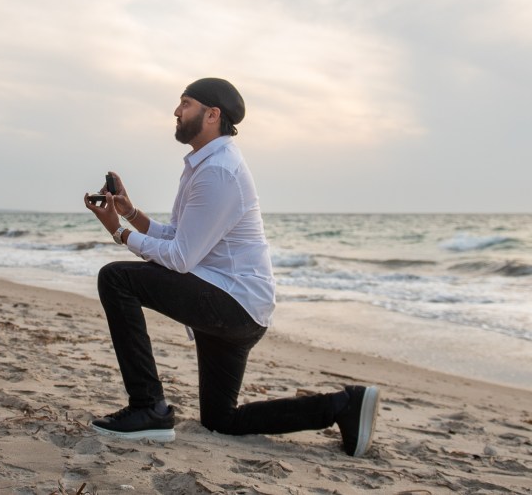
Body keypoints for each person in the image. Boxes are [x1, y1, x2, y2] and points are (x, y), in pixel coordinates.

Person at [83, 78, 380, 457]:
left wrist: (119, 233)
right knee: (221, 419)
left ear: (212, 114)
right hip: (235, 305)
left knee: (116, 278)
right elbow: (178, 237)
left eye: (185, 104)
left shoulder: (218, 171)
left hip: (232, 304)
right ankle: (343, 405)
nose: (176, 112)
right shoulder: (203, 166)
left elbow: (179, 258)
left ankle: (147, 407)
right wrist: (130, 213)